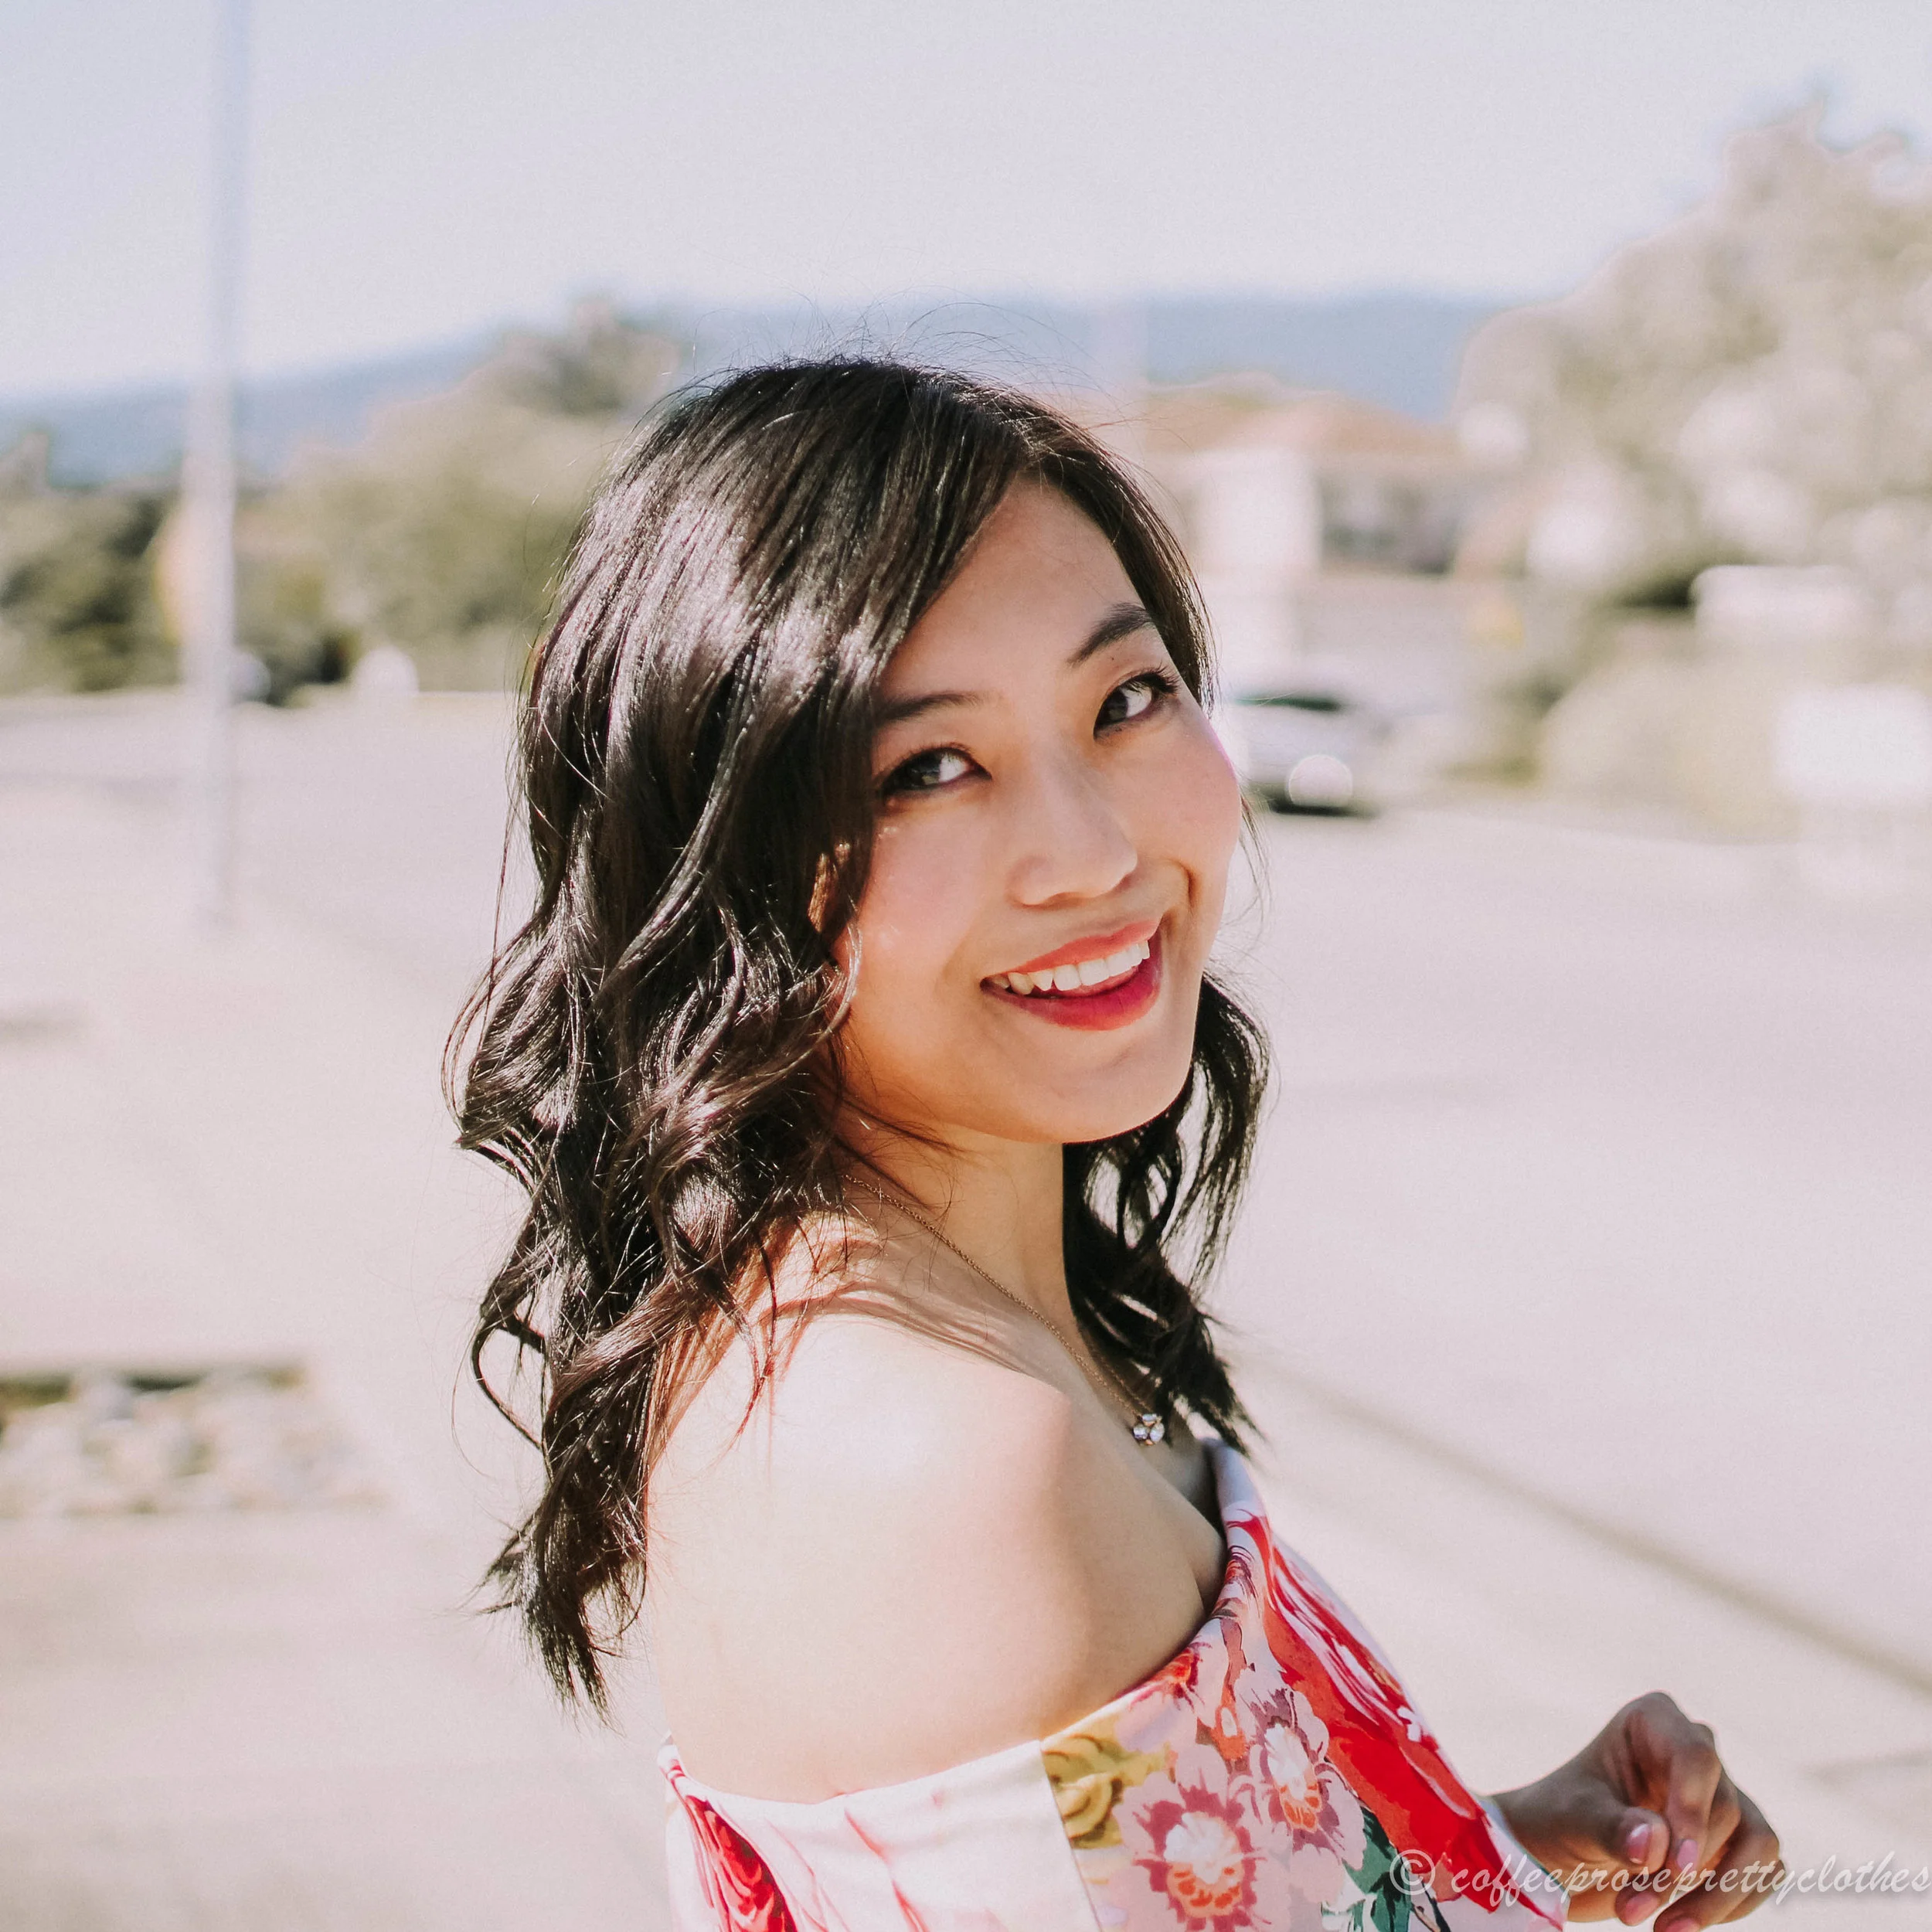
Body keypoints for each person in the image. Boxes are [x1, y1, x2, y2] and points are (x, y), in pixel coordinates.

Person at [451, 359, 1781, 1930]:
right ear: (722, 858)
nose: (1091, 851)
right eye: (927, 768)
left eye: (1125, 698)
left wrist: (1476, 1852)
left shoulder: (899, 1321)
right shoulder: (942, 1455)